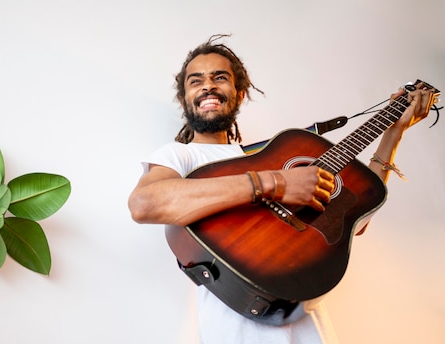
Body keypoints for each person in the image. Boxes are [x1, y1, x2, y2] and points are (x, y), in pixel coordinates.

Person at [127, 34, 434, 344]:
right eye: (196, 81)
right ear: (184, 98)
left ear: (240, 93)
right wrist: (275, 183)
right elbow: (145, 204)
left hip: (311, 330)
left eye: (220, 77)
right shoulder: (180, 155)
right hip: (236, 332)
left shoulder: (278, 151)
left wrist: (394, 133)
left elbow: (357, 215)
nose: (208, 86)